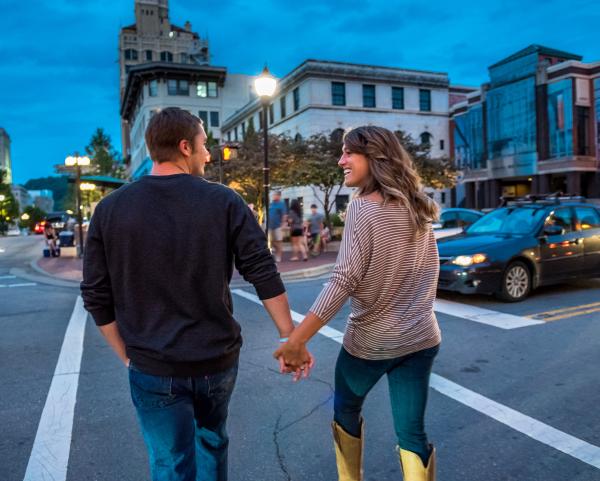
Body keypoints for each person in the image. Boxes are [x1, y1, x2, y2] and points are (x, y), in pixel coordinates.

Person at [80, 107, 313, 481]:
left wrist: (127, 356)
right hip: (216, 361)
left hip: (152, 365)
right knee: (213, 442)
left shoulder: (109, 210)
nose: (208, 154)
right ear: (185, 146)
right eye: (205, 145)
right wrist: (289, 336)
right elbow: (261, 270)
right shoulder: (223, 201)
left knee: (171, 462)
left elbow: (95, 295)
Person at [275, 126, 441, 481]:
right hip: (422, 338)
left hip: (371, 343)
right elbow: (430, 270)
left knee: (346, 409)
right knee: (412, 433)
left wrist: (297, 339)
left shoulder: (363, 209)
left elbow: (343, 280)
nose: (341, 160)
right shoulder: (417, 206)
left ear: (375, 157)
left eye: (349, 153)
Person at [268, 191, 287, 262]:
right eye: (273, 195)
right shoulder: (271, 204)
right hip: (270, 226)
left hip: (278, 226)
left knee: (279, 241)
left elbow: (284, 215)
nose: (273, 196)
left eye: (275, 195)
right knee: (270, 241)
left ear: (279, 196)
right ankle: (277, 252)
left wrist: (283, 224)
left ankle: (279, 256)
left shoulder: (281, 204)